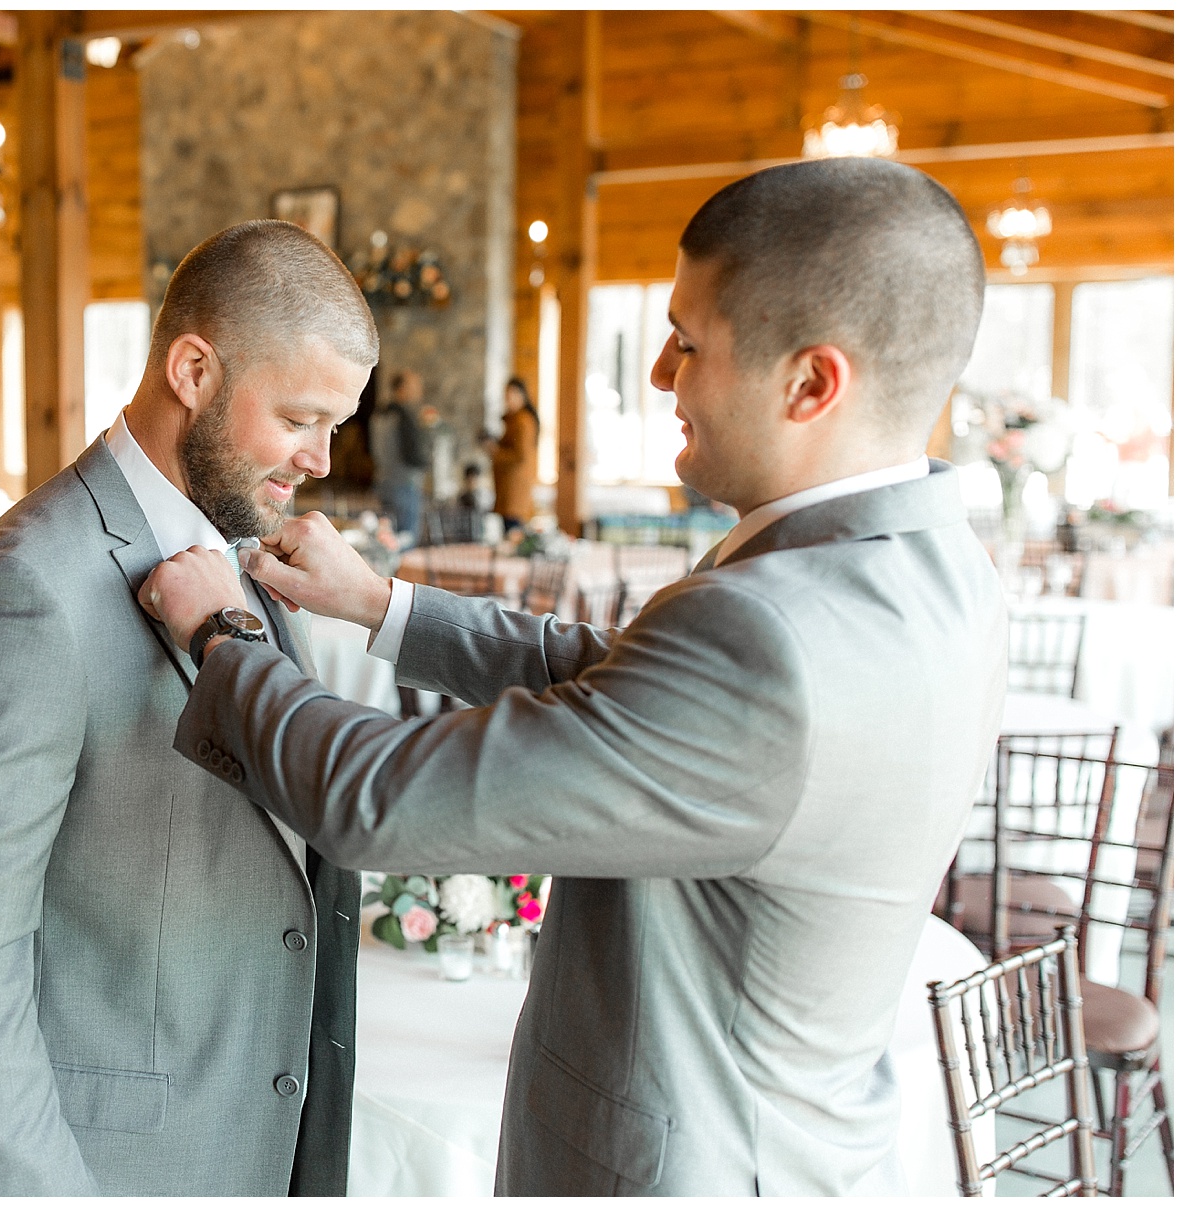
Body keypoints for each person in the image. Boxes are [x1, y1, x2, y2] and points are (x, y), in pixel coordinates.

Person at [139, 158, 1004, 1195]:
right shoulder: (931, 565)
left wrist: (225, 639)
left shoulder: (777, 633)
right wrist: (383, 606)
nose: (659, 378)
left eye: (688, 344)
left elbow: (383, 800)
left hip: (687, 1165)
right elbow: (625, 689)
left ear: (810, 382)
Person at [0, 220, 376, 1195]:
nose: (320, 459)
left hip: (242, 1137)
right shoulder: (20, 593)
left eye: (336, 427)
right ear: (193, 369)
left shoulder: (249, 554)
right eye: (301, 418)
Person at [368, 371, 432, 544]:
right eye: (415, 386)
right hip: (404, 483)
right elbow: (413, 454)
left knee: (387, 536)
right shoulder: (403, 416)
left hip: (383, 480)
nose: (419, 391)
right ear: (402, 389)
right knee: (405, 538)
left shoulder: (379, 414)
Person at [490, 377, 538, 531]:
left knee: (513, 534)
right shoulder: (514, 420)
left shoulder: (523, 421)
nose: (507, 398)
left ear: (521, 395)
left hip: (515, 490)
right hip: (509, 488)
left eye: (511, 394)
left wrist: (496, 452)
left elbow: (521, 455)